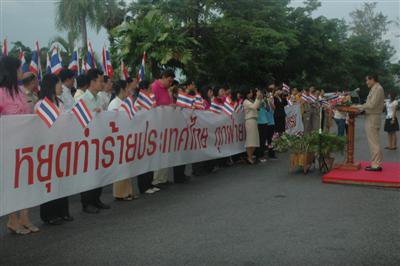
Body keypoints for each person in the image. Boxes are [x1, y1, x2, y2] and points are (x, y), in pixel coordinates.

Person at [0, 56, 39, 235]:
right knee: (11, 184)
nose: (20, 72)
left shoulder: (20, 91)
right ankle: (12, 220)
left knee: (25, 182)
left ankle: (25, 217)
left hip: (25, 145)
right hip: (7, 147)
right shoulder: (0, 93)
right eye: (17, 68)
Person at [35, 74, 73, 225]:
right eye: (58, 85)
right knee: (49, 183)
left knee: (62, 181)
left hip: (61, 147)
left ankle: (63, 211)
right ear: (51, 86)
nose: (60, 88)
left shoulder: (60, 102)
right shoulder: (40, 105)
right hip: (47, 149)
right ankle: (48, 215)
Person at [78, 69, 110, 213]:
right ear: (92, 82)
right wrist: (92, 114)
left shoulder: (100, 98)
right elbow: (78, 121)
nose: (103, 84)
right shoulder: (82, 100)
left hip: (99, 141)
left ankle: (96, 199)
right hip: (87, 143)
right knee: (88, 174)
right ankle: (87, 203)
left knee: (99, 172)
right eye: (100, 81)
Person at [108, 80, 138, 200]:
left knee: (127, 167)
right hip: (117, 139)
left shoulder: (124, 102)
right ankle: (120, 194)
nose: (129, 91)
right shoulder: (114, 104)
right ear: (122, 89)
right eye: (127, 88)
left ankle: (128, 191)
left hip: (126, 137)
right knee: (120, 167)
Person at [355, 74, 385, 171]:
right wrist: (361, 107)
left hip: (373, 117)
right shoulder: (375, 88)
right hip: (371, 116)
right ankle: (374, 163)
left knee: (374, 142)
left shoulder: (378, 89)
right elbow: (370, 104)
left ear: (372, 79)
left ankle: (376, 164)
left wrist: (359, 107)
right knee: (372, 142)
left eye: (367, 80)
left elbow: (372, 104)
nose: (366, 82)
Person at [151, 69, 175, 186]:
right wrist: (166, 106)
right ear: (164, 77)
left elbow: (168, 103)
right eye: (169, 81)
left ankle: (163, 179)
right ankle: (156, 180)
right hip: (157, 126)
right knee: (158, 153)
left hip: (166, 125)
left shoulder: (166, 90)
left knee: (165, 152)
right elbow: (152, 106)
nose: (170, 84)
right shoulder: (154, 87)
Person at [243, 88, 263, 164]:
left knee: (255, 140)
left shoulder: (250, 101)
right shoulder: (245, 102)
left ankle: (250, 156)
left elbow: (257, 107)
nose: (251, 94)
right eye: (250, 93)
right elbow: (254, 106)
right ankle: (249, 157)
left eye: (251, 92)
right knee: (250, 140)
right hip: (249, 120)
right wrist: (257, 98)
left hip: (254, 120)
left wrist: (260, 98)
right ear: (246, 94)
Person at [255, 89, 269, 163]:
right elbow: (256, 108)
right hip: (258, 122)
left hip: (265, 121)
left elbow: (268, 109)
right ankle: (258, 156)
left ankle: (262, 155)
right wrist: (259, 100)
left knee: (263, 139)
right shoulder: (256, 101)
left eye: (261, 93)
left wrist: (266, 102)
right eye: (259, 93)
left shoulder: (264, 100)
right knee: (259, 140)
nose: (261, 95)